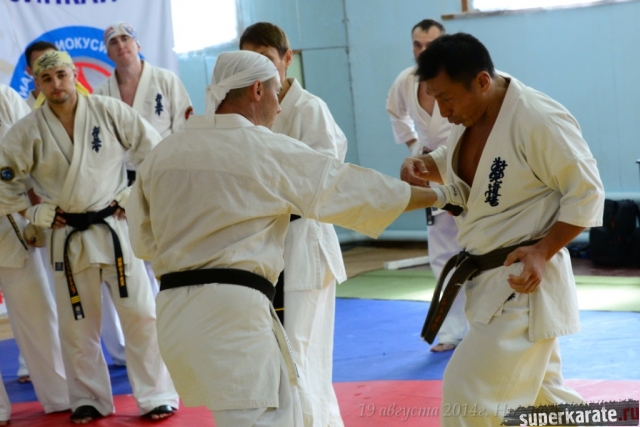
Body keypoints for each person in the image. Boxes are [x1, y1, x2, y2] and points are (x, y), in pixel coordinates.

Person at [126, 50, 458, 427]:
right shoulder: (262, 148)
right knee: (264, 419)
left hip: (173, 315)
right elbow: (351, 188)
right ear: (256, 90)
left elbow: (143, 242)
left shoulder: (164, 153)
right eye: (275, 92)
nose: (279, 106)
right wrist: (441, 196)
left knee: (266, 412)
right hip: (232, 314)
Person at [400, 33, 604, 426]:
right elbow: (460, 162)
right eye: (435, 99)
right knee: (546, 404)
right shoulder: (472, 113)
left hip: (521, 285)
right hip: (488, 282)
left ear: (481, 81)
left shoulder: (537, 118)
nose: (442, 112)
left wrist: (543, 251)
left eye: (447, 99)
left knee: (467, 396)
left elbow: (588, 193)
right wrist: (426, 165)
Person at [0, 51, 179, 424]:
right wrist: (31, 212)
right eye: (47, 79)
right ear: (37, 84)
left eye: (61, 75)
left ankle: (157, 394)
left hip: (114, 229)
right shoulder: (28, 130)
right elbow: (5, 180)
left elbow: (154, 152)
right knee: (77, 324)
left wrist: (133, 194)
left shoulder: (108, 111)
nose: (56, 85)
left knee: (141, 314)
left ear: (74, 74)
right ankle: (89, 398)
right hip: (66, 235)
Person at [240, 22, 347, 426]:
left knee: (299, 354)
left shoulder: (309, 109)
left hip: (303, 245)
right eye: (250, 59)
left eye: (267, 59)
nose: (259, 68)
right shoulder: (245, 110)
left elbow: (324, 178)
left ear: (287, 59)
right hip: (265, 246)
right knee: (283, 355)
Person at [94, 21, 193, 363]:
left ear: (137, 44)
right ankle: (143, 344)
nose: (121, 45)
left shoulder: (165, 81)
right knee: (134, 260)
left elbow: (184, 129)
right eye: (114, 42)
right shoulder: (101, 93)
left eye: (126, 39)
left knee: (170, 255)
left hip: (165, 175)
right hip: (121, 185)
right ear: (107, 52)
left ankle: (182, 333)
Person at [386, 19, 468, 352]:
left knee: (478, 245)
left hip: (465, 167)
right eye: (417, 45)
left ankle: (483, 328)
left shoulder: (461, 76)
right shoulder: (406, 81)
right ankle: (451, 330)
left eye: (430, 45)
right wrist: (413, 147)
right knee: (442, 253)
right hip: (430, 169)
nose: (422, 51)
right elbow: (395, 112)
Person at [0, 83, 71, 426]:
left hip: (9, 218)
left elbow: (30, 152)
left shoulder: (3, 96)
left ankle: (61, 396)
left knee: (38, 311)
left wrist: (35, 213)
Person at [24, 41, 57, 109]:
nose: (49, 68)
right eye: (41, 65)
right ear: (29, 71)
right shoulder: (20, 111)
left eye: (53, 62)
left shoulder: (77, 106)